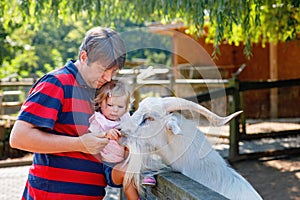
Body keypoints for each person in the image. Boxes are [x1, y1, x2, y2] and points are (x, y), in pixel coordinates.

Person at [9, 27, 130, 200]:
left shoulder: (100, 93)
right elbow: (19, 137)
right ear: (83, 57)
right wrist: (79, 144)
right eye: (103, 69)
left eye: (114, 71)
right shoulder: (57, 83)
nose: (109, 78)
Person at [88, 79, 140, 199]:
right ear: (100, 103)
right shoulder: (98, 121)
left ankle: (146, 175)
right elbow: (91, 137)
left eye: (120, 106)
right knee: (127, 172)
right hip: (109, 166)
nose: (115, 110)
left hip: (127, 160)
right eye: (110, 105)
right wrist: (106, 134)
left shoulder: (125, 120)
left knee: (139, 154)